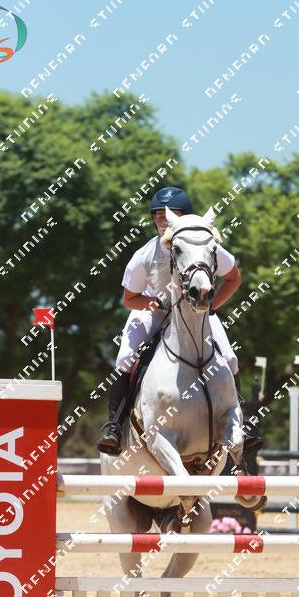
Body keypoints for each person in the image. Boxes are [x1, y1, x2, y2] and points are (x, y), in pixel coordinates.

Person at [96, 186, 264, 457]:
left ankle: (242, 421)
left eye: (170, 214)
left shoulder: (203, 243)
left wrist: (212, 306)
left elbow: (234, 278)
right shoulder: (146, 254)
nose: (164, 220)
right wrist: (154, 304)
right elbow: (130, 298)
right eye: (159, 216)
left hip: (195, 311)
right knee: (125, 357)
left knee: (231, 358)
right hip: (154, 310)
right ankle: (114, 425)